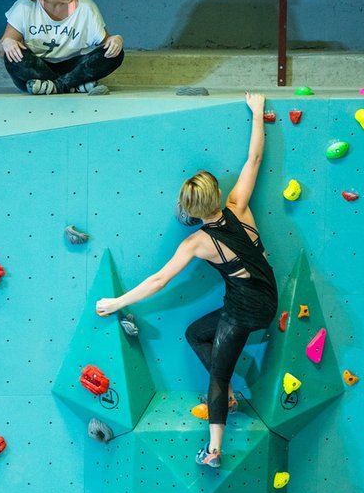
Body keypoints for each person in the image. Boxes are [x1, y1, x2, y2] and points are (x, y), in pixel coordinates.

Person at [96, 92, 277, 468]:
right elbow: (254, 158)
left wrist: (117, 303)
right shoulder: (238, 205)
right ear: (218, 194)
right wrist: (258, 113)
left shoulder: (197, 242)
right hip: (267, 296)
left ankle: (213, 450)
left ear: (191, 214)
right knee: (196, 333)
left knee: (218, 377)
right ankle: (225, 390)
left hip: (245, 310)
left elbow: (160, 280)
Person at [0, 0, 123, 95]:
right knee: (12, 55)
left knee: (116, 54)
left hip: (73, 68)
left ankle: (54, 86)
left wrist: (115, 41)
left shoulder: (86, 7)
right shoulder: (25, 7)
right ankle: (73, 86)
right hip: (37, 68)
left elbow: (105, 44)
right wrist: (7, 43)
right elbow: (1, 50)